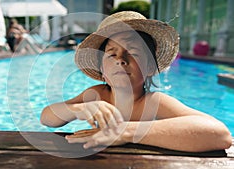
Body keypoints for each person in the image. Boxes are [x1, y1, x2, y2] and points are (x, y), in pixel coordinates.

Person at [40, 11, 232, 152]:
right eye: (111, 54)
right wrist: (78, 109)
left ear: (149, 68)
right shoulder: (98, 95)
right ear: (102, 71)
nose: (120, 59)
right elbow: (47, 118)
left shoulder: (153, 102)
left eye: (132, 52)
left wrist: (124, 131)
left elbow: (220, 135)